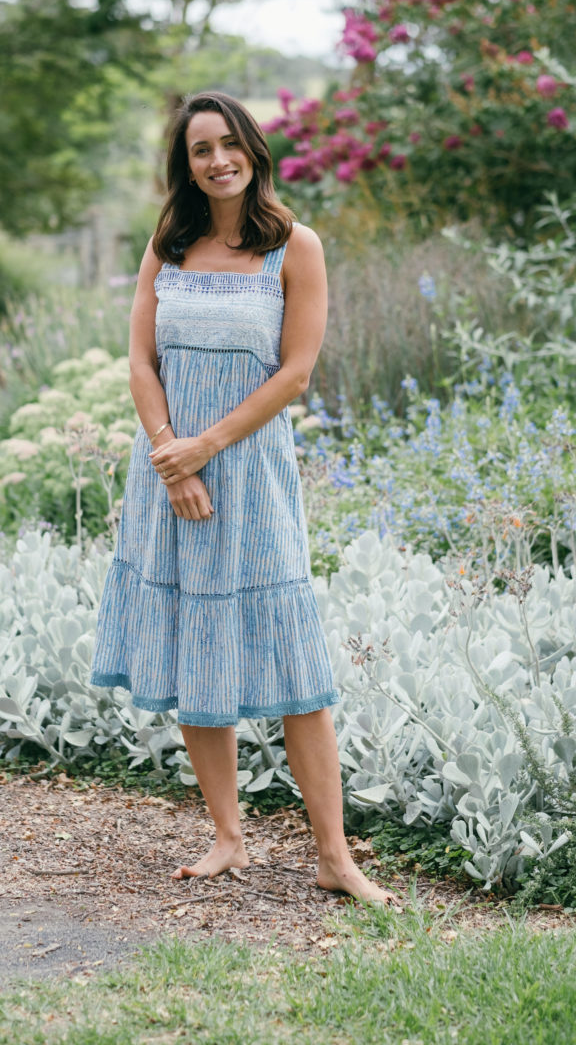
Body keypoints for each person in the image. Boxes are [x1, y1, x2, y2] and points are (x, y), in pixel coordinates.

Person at [90, 91, 399, 906]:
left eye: (230, 145)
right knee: (200, 643)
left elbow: (295, 374)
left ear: (255, 151)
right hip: (169, 476)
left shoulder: (295, 247)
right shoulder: (171, 242)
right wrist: (171, 457)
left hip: (250, 476)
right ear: (184, 165)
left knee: (297, 662)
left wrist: (206, 447)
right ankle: (229, 837)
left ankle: (334, 856)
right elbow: (140, 360)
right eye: (200, 150)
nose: (217, 160)